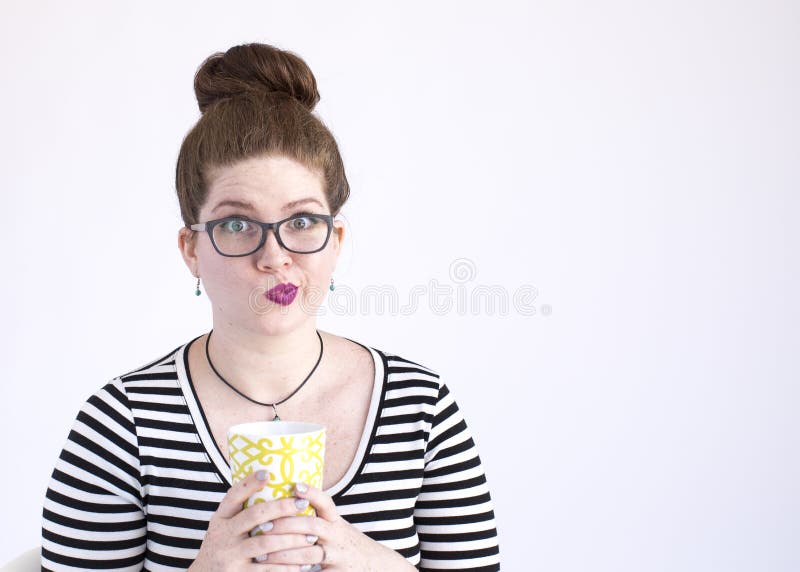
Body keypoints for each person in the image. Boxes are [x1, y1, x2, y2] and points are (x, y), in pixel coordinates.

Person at [41, 43, 500, 572]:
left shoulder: (421, 409)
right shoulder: (121, 426)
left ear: (337, 239)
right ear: (191, 249)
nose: (274, 257)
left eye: (302, 221)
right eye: (237, 225)